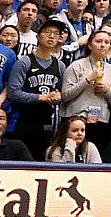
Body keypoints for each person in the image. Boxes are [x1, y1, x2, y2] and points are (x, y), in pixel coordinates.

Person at [6, 18, 69, 158]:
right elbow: (13, 93)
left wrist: (57, 98)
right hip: (23, 121)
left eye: (56, 33)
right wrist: (41, 98)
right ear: (38, 36)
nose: (52, 36)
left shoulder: (60, 66)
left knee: (41, 161)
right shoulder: (24, 62)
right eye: (48, 32)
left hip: (46, 123)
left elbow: (59, 94)